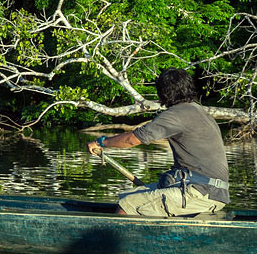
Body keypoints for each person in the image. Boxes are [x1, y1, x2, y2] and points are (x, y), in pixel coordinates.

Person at [87, 67, 230, 217]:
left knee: (127, 205)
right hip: (211, 192)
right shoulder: (200, 111)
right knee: (128, 195)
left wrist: (101, 142)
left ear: (164, 92)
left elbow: (133, 139)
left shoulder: (176, 115)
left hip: (200, 194)